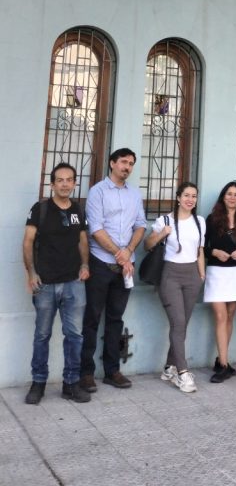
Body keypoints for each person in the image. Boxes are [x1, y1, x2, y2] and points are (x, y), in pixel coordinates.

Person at [22, 163, 91, 405]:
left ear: (74, 183)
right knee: (42, 335)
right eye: (60, 180)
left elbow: (83, 240)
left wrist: (85, 265)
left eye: (69, 180)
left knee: (75, 336)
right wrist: (31, 272)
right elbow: (28, 241)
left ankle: (71, 384)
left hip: (74, 283)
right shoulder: (40, 209)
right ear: (52, 184)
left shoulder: (78, 210)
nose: (64, 184)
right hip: (45, 284)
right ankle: (38, 383)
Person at [80, 148, 146, 392]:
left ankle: (112, 371)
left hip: (125, 267)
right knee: (92, 318)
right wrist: (121, 254)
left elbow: (141, 225)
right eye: (123, 162)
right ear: (112, 163)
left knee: (115, 319)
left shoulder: (134, 194)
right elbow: (96, 229)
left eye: (131, 163)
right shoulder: (97, 192)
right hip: (100, 263)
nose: (127, 167)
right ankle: (86, 373)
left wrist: (128, 251)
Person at [144, 182, 206, 393]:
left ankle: (169, 368)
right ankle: (183, 373)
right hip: (170, 275)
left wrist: (201, 275)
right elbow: (147, 245)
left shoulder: (200, 221)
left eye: (194, 196)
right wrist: (162, 233)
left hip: (192, 276)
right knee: (178, 323)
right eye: (186, 195)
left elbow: (200, 251)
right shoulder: (164, 220)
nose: (190, 199)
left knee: (182, 325)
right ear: (178, 197)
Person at [203, 181, 236, 383]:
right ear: (223, 197)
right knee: (221, 316)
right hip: (217, 272)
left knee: (230, 315)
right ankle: (223, 366)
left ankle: (222, 360)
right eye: (229, 194)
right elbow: (202, 247)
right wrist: (214, 252)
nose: (232, 197)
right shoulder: (212, 219)